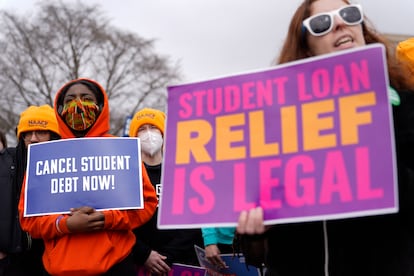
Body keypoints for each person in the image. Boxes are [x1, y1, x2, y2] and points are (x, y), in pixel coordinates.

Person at [236, 1, 414, 276]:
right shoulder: (275, 123)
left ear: (361, 29)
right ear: (307, 46)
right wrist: (256, 233)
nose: (340, 23)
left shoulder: (405, 104)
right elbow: (256, 252)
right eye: (322, 24)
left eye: (349, 14)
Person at [18, 78, 158, 276]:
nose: (78, 105)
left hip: (115, 265)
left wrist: (106, 219)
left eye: (86, 98)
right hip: (59, 268)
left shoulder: (121, 150)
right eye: (70, 100)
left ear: (100, 106)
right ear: (60, 108)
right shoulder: (45, 154)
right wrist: (64, 224)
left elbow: (146, 204)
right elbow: (28, 219)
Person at [129, 107, 203, 275]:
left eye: (153, 128)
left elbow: (193, 219)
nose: (148, 134)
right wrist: (145, 254)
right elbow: (123, 223)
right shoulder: (128, 175)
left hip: (182, 262)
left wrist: (168, 256)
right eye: (141, 129)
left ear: (163, 133)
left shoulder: (182, 171)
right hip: (140, 262)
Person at [1, 105, 60, 276]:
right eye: (28, 133)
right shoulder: (5, 163)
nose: (33, 139)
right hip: (15, 259)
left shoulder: (68, 167)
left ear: (53, 136)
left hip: (55, 254)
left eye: (41, 132)